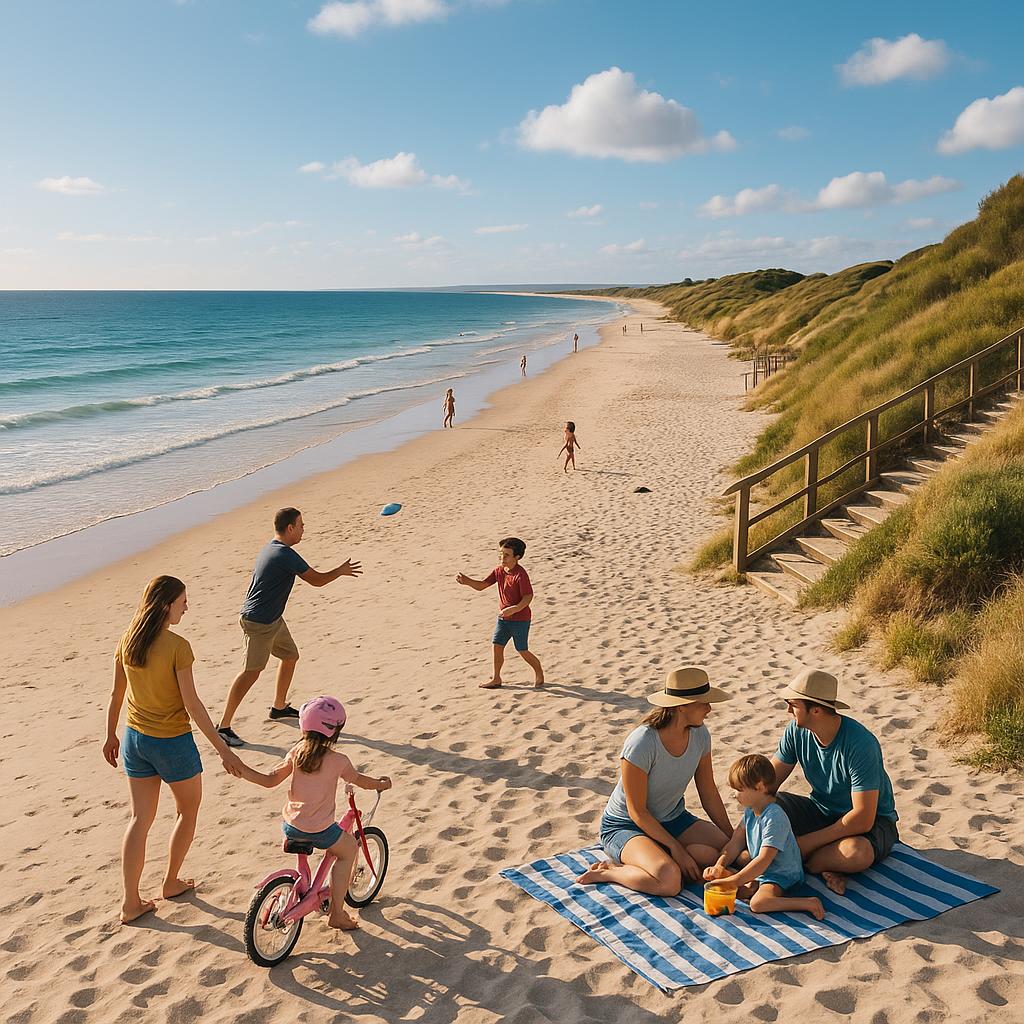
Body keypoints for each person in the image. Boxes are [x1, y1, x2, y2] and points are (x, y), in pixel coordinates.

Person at [103, 575, 244, 923]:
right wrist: (223, 750)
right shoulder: (178, 646)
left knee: (140, 819)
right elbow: (193, 705)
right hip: (172, 743)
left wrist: (110, 736)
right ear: (167, 605)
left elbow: (116, 695)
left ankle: (130, 902)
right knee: (188, 812)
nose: (187, 606)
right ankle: (170, 882)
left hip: (135, 739)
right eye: (183, 600)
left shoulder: (128, 640)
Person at [235, 696, 392, 930]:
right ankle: (337, 914)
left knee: (310, 843)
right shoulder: (338, 760)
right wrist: (380, 784)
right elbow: (359, 780)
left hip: (291, 826)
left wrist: (242, 770)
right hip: (319, 830)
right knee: (348, 851)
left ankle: (305, 887)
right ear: (334, 732)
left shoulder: (297, 752)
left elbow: (269, 781)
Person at [575, 668, 733, 896]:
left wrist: (732, 839)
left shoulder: (700, 735)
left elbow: (708, 792)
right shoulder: (642, 743)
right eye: (703, 703)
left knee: (731, 853)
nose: (709, 709)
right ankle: (610, 871)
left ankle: (661, 855)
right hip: (625, 826)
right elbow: (637, 811)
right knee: (669, 881)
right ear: (681, 706)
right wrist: (676, 849)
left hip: (674, 819)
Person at [217, 508, 362, 747]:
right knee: (251, 672)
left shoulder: (271, 548)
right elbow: (317, 580)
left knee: (290, 656)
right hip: (259, 622)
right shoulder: (284, 554)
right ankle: (223, 726)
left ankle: (279, 707)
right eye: (301, 525)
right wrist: (340, 571)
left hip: (273, 620)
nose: (304, 529)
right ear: (290, 528)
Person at [770, 668, 899, 895]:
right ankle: (820, 861)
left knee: (856, 853)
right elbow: (769, 783)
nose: (788, 710)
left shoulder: (861, 744)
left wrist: (806, 843)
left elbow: (862, 819)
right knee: (770, 804)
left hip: (871, 823)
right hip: (822, 811)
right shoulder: (796, 731)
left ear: (816, 710)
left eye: (793, 705)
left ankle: (802, 861)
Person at [703, 754, 825, 919]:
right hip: (763, 870)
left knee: (758, 904)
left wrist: (735, 880)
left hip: (781, 874)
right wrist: (719, 865)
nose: (734, 794)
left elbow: (765, 859)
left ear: (759, 787)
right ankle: (750, 885)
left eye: (739, 789)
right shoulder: (751, 811)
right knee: (722, 879)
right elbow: (735, 843)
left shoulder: (775, 817)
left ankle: (808, 902)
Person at [455, 536, 544, 690]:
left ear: (517, 557)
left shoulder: (520, 575)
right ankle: (496, 678)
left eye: (507, 555)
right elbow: (482, 585)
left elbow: (528, 597)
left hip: (520, 619)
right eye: (501, 554)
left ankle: (539, 672)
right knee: (497, 646)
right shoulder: (498, 571)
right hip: (503, 619)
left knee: (522, 650)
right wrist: (468, 581)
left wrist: (515, 608)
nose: (502, 558)